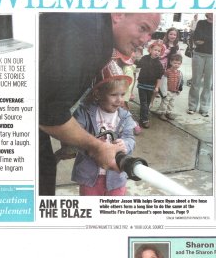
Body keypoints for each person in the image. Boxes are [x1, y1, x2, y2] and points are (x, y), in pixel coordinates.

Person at [39, 12, 161, 195]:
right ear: (118, 14)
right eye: (143, 28)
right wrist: (97, 147)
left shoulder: (93, 29)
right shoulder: (89, 38)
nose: (145, 40)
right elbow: (49, 114)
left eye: (150, 34)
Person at [71, 61, 135, 196]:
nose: (119, 100)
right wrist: (93, 147)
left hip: (116, 178)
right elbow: (75, 136)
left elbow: (130, 138)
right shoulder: (85, 113)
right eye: (113, 95)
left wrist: (125, 144)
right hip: (90, 178)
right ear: (98, 94)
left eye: (122, 95)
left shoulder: (125, 116)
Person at [187, 13, 213, 117]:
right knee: (195, 81)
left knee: (208, 83)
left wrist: (204, 39)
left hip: (212, 56)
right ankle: (192, 106)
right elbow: (196, 38)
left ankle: (204, 108)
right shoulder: (201, 23)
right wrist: (210, 39)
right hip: (198, 54)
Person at [136, 40, 164, 128]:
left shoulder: (159, 64)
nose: (157, 52)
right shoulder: (144, 58)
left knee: (147, 103)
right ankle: (145, 119)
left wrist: (157, 87)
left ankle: (142, 117)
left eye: (159, 51)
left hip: (151, 87)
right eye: (155, 50)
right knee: (144, 102)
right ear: (150, 50)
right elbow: (137, 66)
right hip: (142, 85)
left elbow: (159, 78)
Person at [158, 53, 183, 121]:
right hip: (168, 90)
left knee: (171, 103)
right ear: (171, 62)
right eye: (175, 63)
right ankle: (162, 113)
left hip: (174, 91)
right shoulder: (167, 72)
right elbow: (163, 82)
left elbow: (180, 81)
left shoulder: (179, 73)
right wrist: (164, 92)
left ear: (180, 64)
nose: (176, 65)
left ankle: (168, 113)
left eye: (178, 63)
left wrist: (179, 89)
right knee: (165, 102)